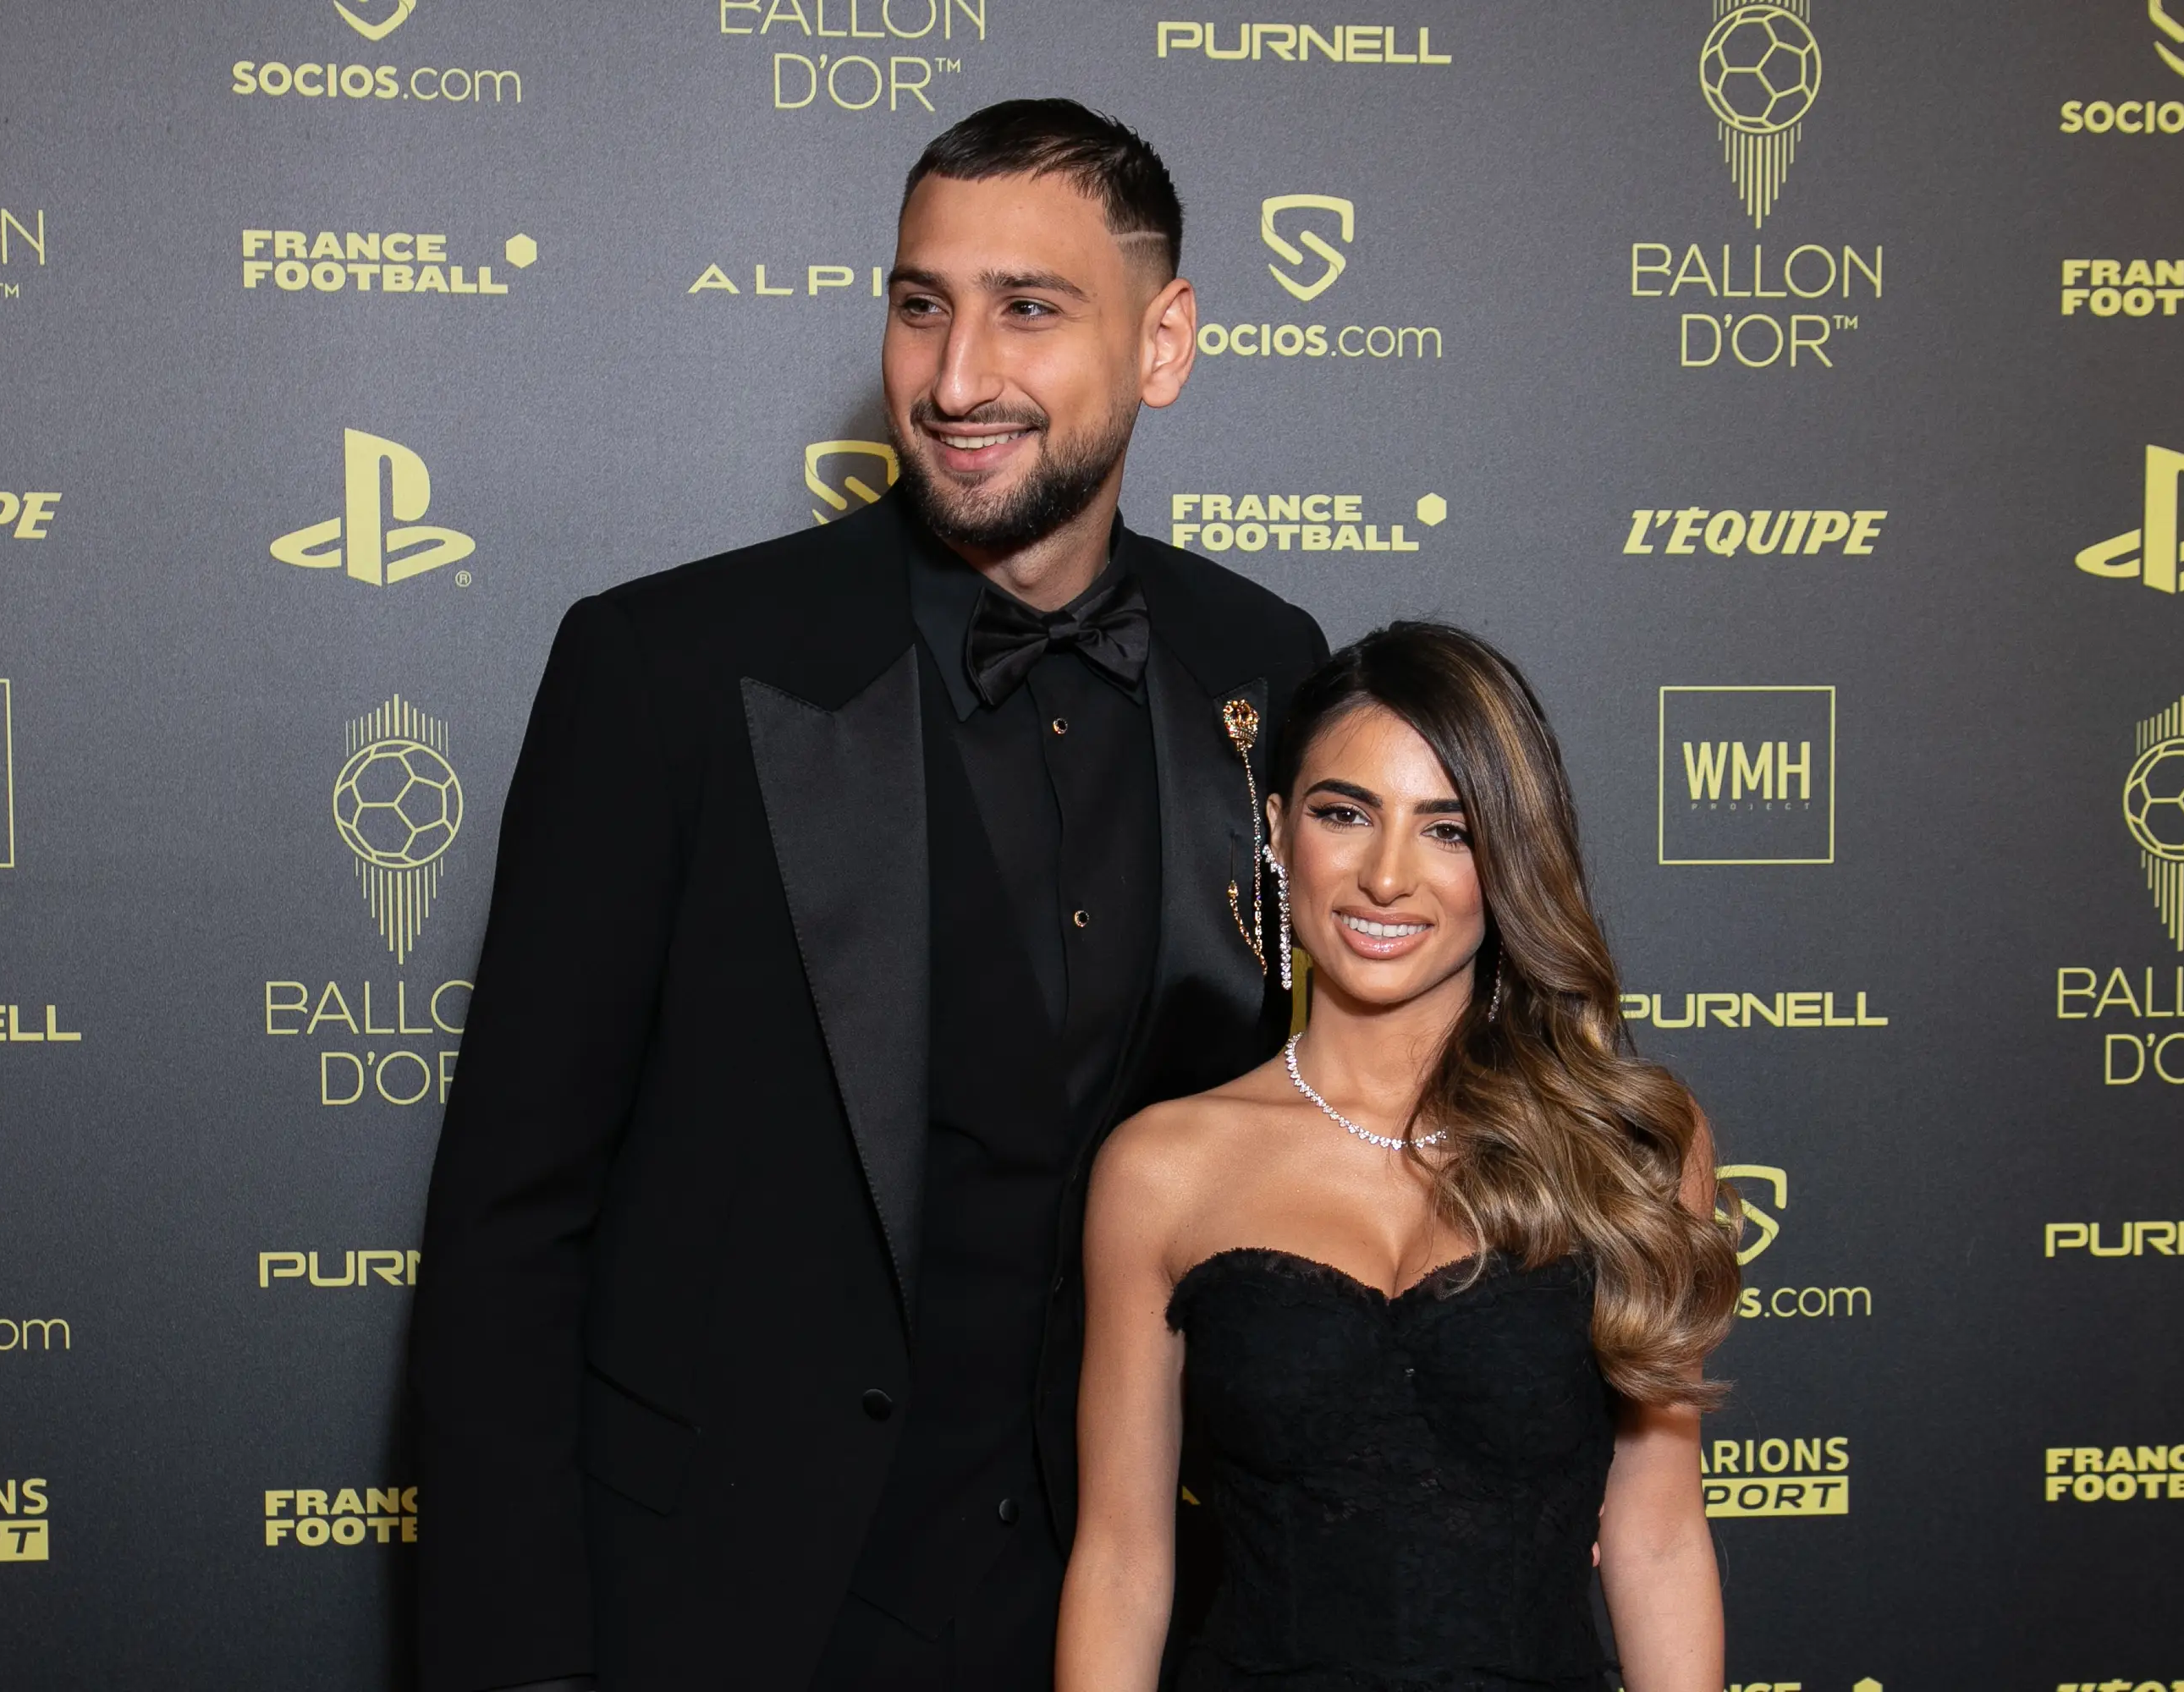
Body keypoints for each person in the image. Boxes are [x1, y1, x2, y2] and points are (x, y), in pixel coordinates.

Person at [409, 101, 1326, 1692]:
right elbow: (509, 1227)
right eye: (922, 304)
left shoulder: (1270, 665)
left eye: (1027, 308)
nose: (956, 378)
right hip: (734, 1608)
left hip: (1134, 1614)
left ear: (1164, 341)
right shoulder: (671, 672)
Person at [1059, 624, 1741, 1692]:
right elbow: (1122, 1564)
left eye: (1449, 830)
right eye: (1345, 813)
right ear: (1280, 832)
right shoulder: (1163, 1167)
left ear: (1508, 858)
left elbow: (1656, 1542)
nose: (1386, 876)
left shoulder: (1634, 1146)